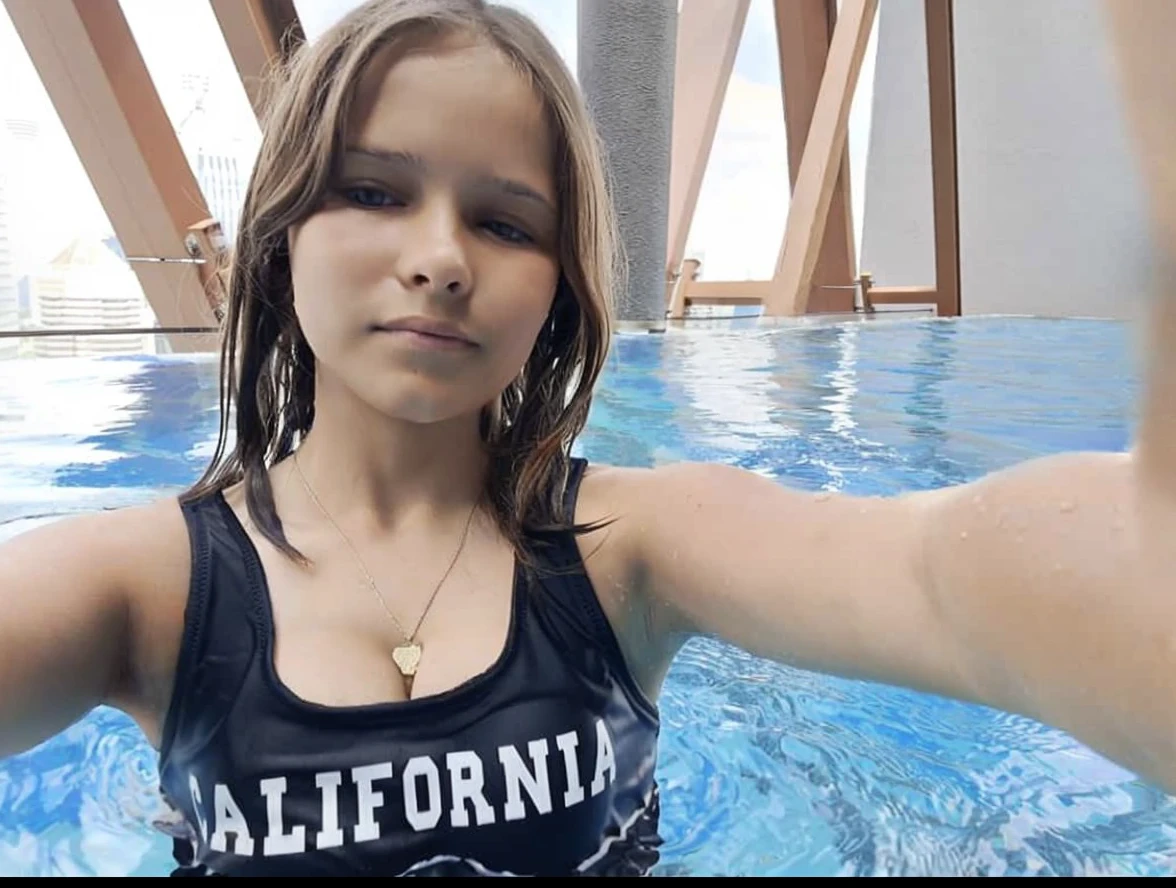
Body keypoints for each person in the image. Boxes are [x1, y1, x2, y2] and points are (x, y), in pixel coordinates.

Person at [1, 0, 1173, 877]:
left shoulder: (626, 550)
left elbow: (933, 574)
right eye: (371, 192)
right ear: (279, 239)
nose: (443, 256)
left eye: (506, 220)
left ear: (557, 289)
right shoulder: (147, 586)